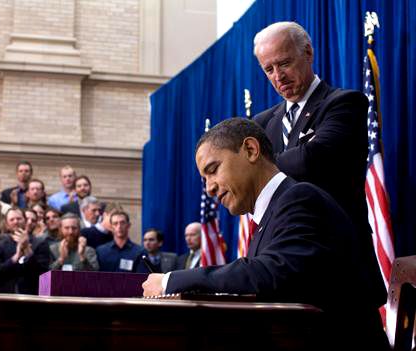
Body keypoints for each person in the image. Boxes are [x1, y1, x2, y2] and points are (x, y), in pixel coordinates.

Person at [141, 118, 388, 348]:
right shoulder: (272, 214)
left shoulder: (300, 198)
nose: (210, 188)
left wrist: (169, 281)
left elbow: (272, 272)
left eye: (213, 169)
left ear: (250, 150)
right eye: (204, 179)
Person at [252, 22, 386, 306]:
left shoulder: (344, 103)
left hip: (339, 275)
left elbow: (313, 159)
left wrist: (260, 168)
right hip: (280, 274)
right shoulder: (262, 124)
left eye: (284, 63)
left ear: (308, 53)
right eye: (269, 69)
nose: (279, 76)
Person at [0, 207, 50, 294]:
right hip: (5, 296)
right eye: (12, 219)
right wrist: (16, 257)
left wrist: (27, 250)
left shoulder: (40, 243)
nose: (16, 222)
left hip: (32, 295)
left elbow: (43, 273)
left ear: (25, 221)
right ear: (7, 224)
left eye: (19, 219)